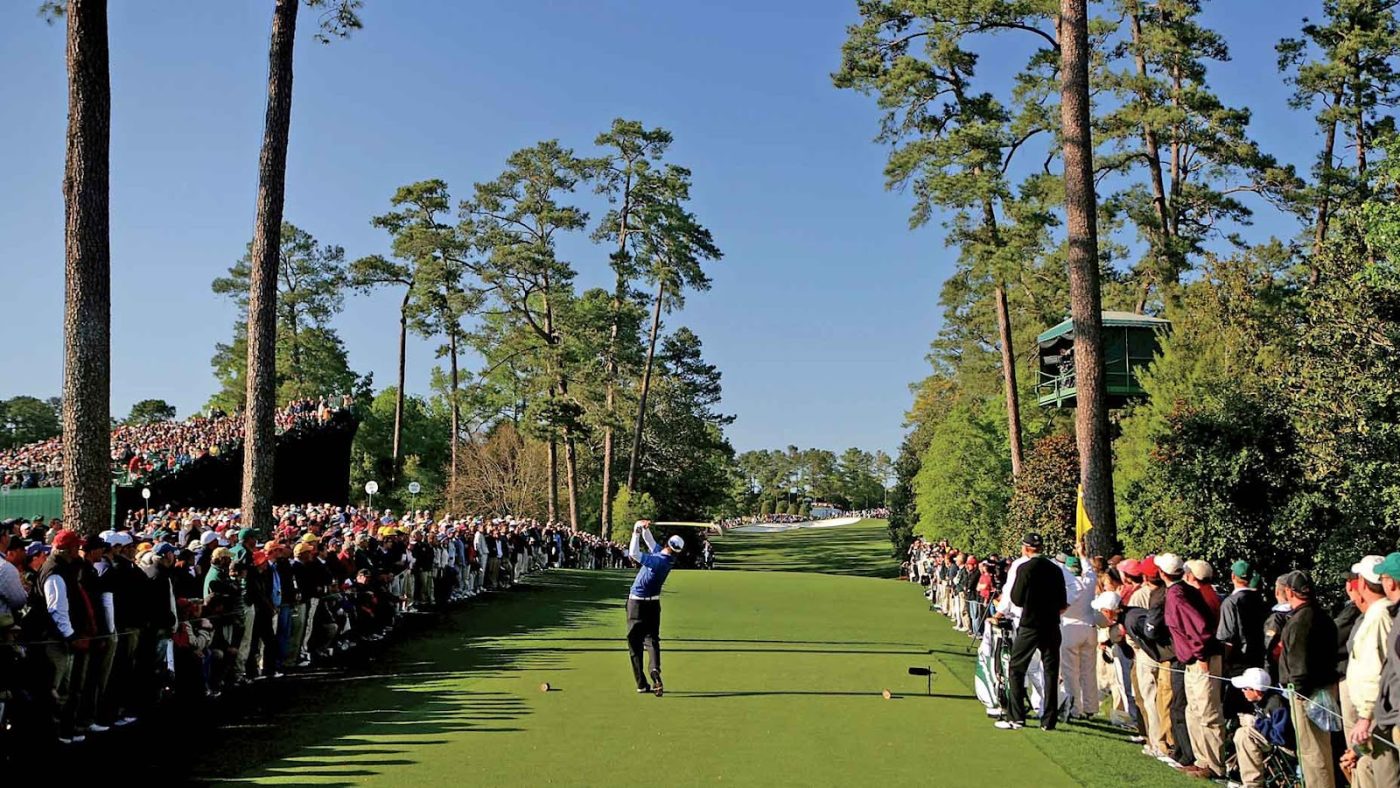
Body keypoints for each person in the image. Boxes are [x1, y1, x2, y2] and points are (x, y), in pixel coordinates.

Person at [1162, 553, 1225, 780]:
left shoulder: (1180, 595)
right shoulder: (1182, 592)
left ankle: (1215, 765)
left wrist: (1201, 656)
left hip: (1202, 659)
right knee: (1194, 711)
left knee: (1207, 712)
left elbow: (1198, 629)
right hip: (1193, 659)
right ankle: (1201, 760)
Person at [995, 532, 1066, 731]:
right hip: (1052, 625)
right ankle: (1049, 720)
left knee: (1017, 669)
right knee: (1051, 672)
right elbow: (1062, 602)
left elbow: (1016, 599)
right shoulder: (1055, 569)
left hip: (1030, 624)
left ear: (1025, 548)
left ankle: (1016, 717)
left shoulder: (1024, 568)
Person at [1277, 569, 1340, 788]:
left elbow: (1299, 663)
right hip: (1323, 688)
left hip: (1307, 693)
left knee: (1312, 751)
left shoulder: (1300, 621)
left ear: (1288, 591)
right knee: (1320, 748)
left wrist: (1299, 690)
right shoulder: (1322, 616)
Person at [1344, 555, 1392, 788]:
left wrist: (1365, 718)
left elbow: (1376, 669)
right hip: (1378, 712)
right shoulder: (1380, 612)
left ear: (1362, 583)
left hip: (1378, 714)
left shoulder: (1379, 615)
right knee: (1368, 767)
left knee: (1387, 778)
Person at [1356, 552, 1400, 786]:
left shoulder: (1383, 615)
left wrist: (1366, 715)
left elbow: (1381, 669)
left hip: (1392, 714)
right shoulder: (1391, 612)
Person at [625, 520, 680, 697]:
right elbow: (650, 543)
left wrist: (636, 530)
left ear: (667, 544)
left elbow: (633, 553)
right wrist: (645, 529)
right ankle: (654, 670)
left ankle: (641, 683)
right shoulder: (667, 559)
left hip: (636, 603)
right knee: (652, 640)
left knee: (635, 644)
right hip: (653, 604)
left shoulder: (656, 560)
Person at [1230, 666, 1292, 788]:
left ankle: (1253, 784)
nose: (1242, 691)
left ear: (1257, 691)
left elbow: (1280, 737)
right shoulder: (1262, 700)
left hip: (1286, 747)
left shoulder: (1277, 704)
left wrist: (1256, 723)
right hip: (1273, 741)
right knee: (1242, 732)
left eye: (1245, 688)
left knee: (1243, 734)